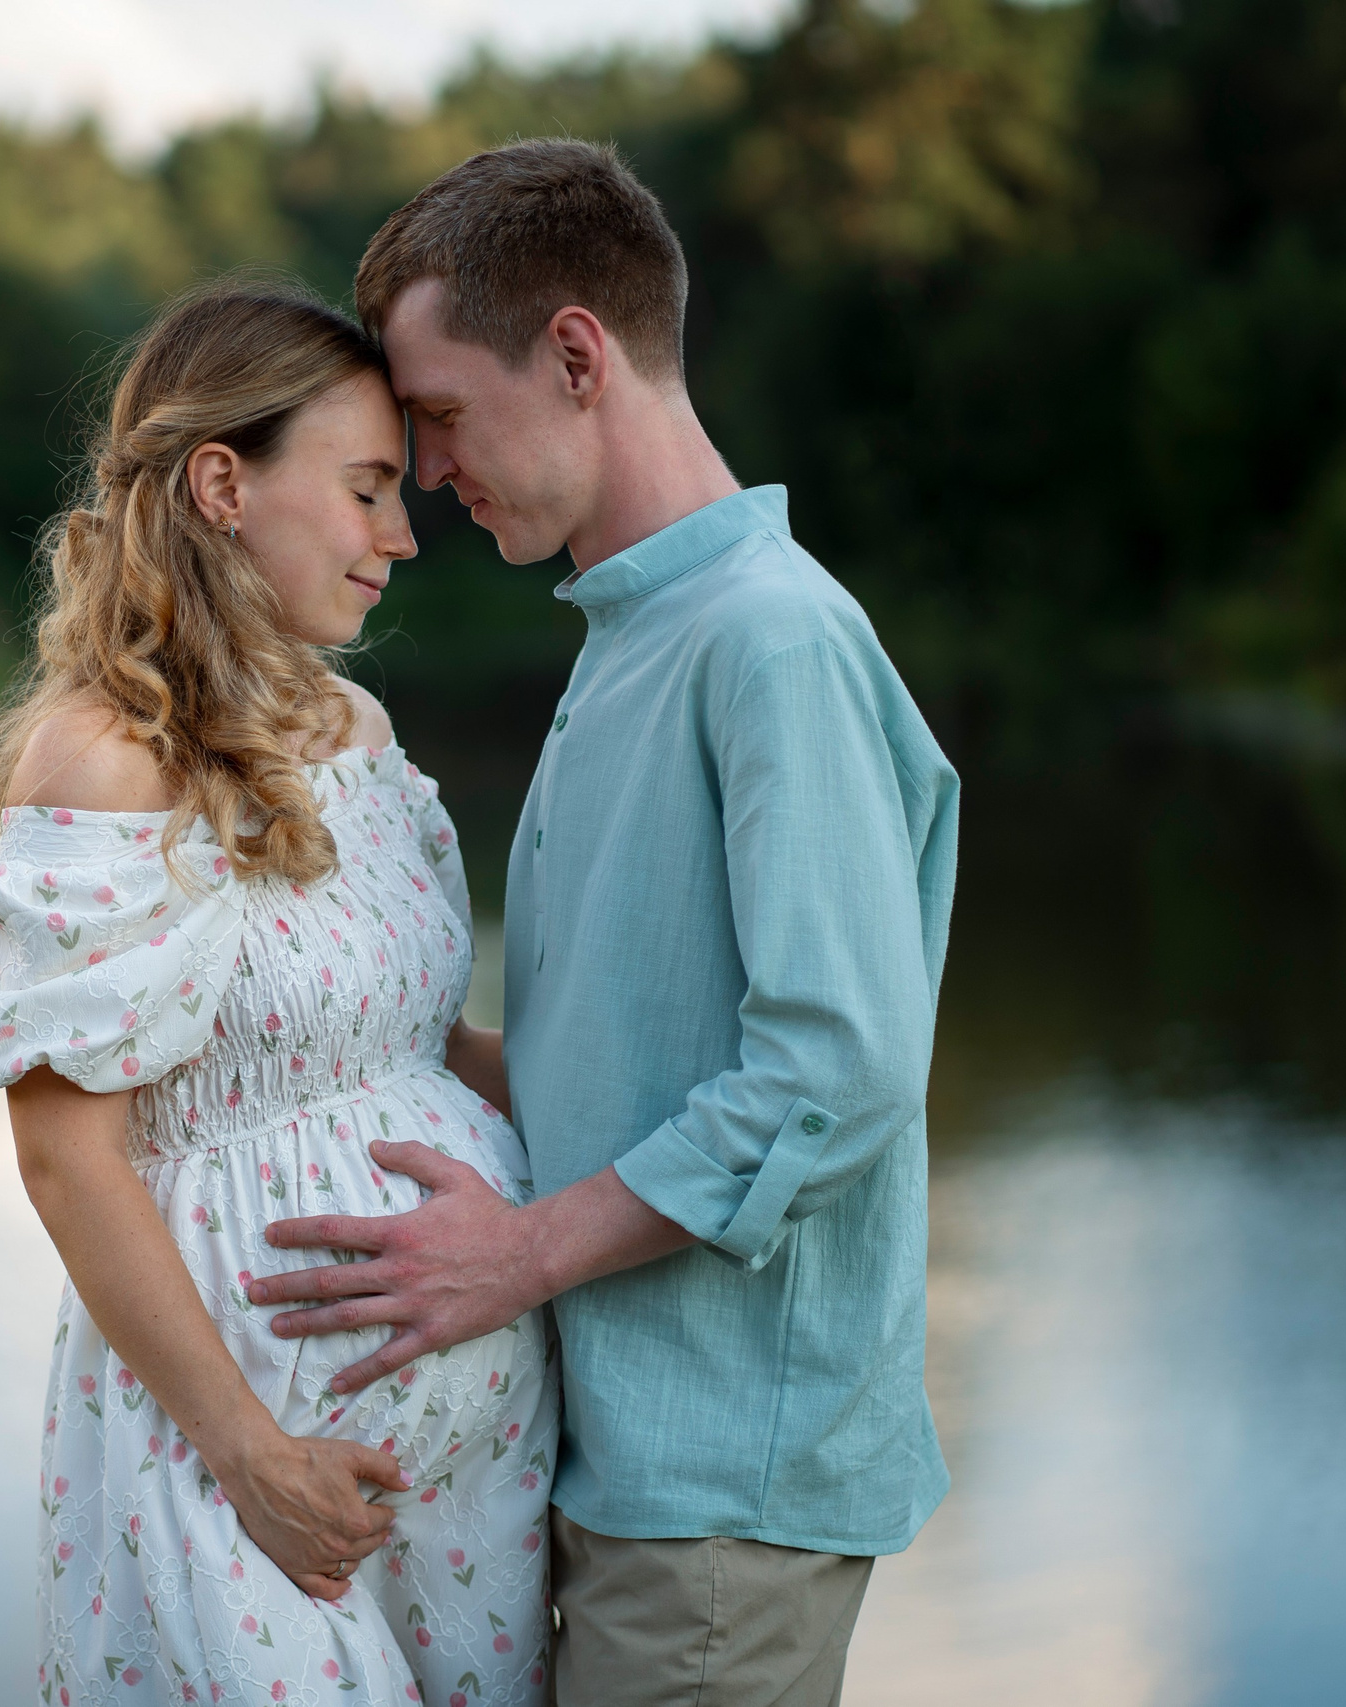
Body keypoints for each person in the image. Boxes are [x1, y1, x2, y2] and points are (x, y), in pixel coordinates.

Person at [244, 141, 960, 1705]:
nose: (426, 473)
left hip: (721, 1502)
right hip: (622, 1465)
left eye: (437, 414)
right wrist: (308, 1037)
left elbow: (838, 1073)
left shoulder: (771, 643)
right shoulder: (635, 634)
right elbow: (625, 1062)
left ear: (574, 354)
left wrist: (516, 1255)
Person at [0, 282, 556, 1707]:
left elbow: (425, 1051)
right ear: (225, 482)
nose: (403, 535)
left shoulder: (361, 729)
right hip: (240, 1467)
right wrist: (251, 1457)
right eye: (367, 489)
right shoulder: (99, 766)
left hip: (471, 1479)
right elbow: (66, 1155)